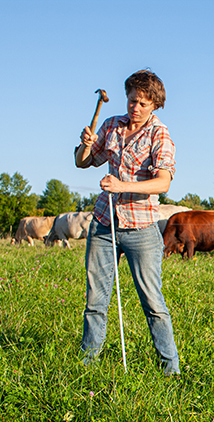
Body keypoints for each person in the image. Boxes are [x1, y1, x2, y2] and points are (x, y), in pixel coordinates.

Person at [75, 69, 180, 375]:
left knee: (153, 302)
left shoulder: (159, 134)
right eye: (132, 100)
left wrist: (122, 186)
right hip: (104, 224)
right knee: (96, 299)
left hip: (141, 227)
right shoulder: (111, 126)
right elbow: (83, 162)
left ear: (154, 106)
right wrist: (84, 144)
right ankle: (87, 364)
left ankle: (170, 368)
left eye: (143, 103)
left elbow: (163, 184)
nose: (135, 108)